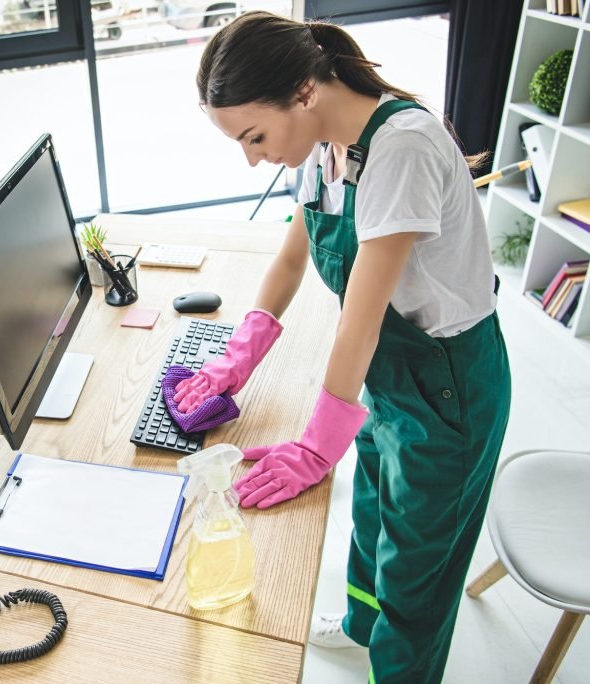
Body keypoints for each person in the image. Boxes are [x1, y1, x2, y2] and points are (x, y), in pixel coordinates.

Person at [173, 11, 511, 684]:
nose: (253, 157)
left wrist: (317, 443)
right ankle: (361, 628)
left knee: (417, 572)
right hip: (389, 376)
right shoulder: (324, 147)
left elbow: (360, 319)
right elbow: (292, 261)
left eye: (255, 136)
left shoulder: (402, 148)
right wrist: (238, 354)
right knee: (370, 519)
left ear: (303, 92)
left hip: (449, 386)